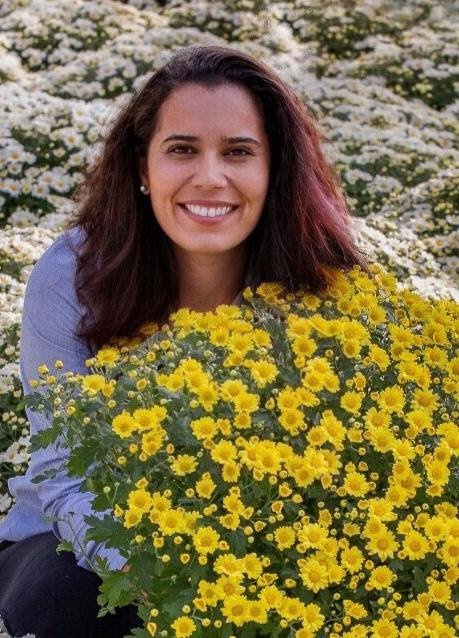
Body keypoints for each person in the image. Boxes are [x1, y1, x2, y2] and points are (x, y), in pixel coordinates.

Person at [0, 45, 367, 637]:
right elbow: (64, 477)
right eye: (182, 150)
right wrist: (167, 577)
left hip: (258, 542)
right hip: (79, 538)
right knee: (68, 603)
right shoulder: (72, 275)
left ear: (275, 169)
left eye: (239, 151)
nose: (210, 177)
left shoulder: (324, 285)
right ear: (142, 169)